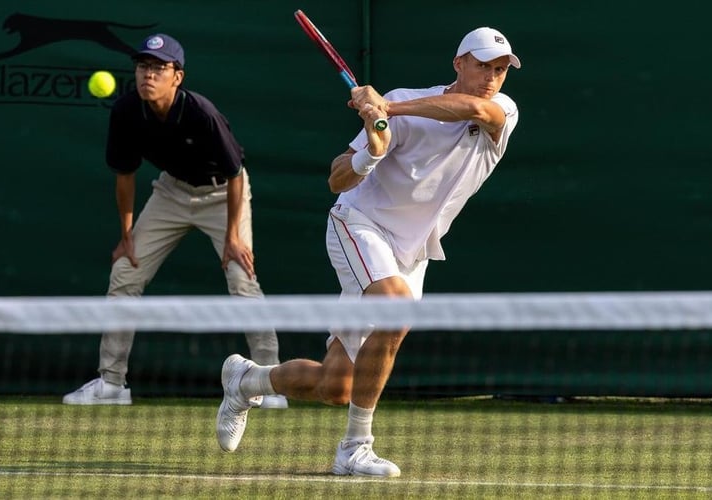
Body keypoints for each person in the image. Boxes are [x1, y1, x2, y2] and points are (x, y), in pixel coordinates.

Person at [215, 26, 521, 475]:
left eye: (500, 69)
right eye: (483, 65)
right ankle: (355, 447)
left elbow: (472, 109)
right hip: (359, 225)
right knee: (397, 313)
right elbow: (336, 179)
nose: (492, 76)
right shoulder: (402, 103)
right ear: (459, 64)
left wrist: (385, 108)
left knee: (335, 385)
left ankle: (246, 379)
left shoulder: (499, 110)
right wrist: (370, 154)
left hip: (412, 253)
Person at [62, 33, 287, 409]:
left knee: (241, 279)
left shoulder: (202, 112)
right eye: (142, 66)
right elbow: (125, 175)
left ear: (177, 76)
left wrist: (233, 236)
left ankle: (269, 381)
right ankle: (112, 384)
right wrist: (126, 235)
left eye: (158, 68)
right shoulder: (126, 111)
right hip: (171, 192)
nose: (147, 75)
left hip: (222, 195)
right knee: (125, 273)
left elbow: (235, 174)